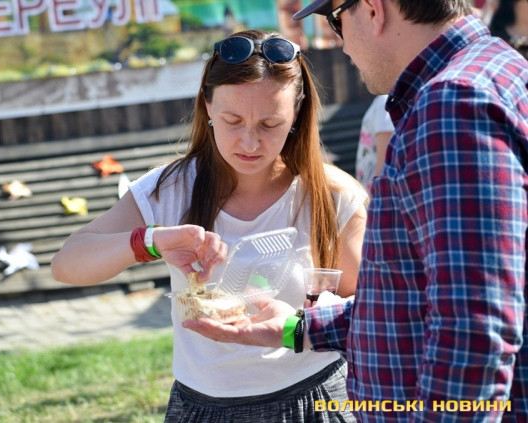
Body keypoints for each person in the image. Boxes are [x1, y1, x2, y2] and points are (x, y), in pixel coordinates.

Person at [184, 1, 528, 421]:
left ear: (372, 10)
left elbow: (472, 330)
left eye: (336, 21)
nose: (342, 44)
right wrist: (300, 327)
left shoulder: (451, 106)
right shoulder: (494, 69)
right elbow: (415, 298)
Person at [51, 29, 368, 422]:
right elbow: (67, 265)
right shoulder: (169, 189)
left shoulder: (331, 194)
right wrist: (150, 241)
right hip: (202, 405)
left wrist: (299, 324)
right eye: (233, 120)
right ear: (207, 106)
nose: (249, 142)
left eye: (270, 124)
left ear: (297, 116)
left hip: (317, 400)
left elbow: (372, 309)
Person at [354, 95, 394, 191]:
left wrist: (378, 194)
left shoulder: (383, 102)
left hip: (376, 193)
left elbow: (384, 165)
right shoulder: (380, 103)